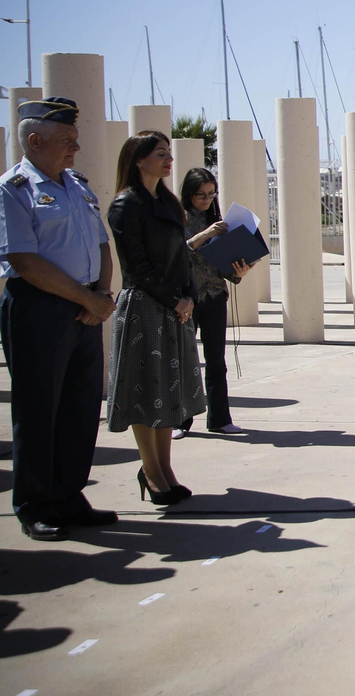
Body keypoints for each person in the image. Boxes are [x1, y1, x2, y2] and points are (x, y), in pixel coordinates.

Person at [0, 97, 117, 540]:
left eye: (76, 139)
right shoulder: (11, 190)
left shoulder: (76, 184)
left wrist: (99, 295)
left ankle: (69, 494)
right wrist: (86, 297)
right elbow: (23, 260)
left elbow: (100, 242)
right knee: (39, 409)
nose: (75, 148)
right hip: (39, 308)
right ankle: (35, 503)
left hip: (84, 307)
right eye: (66, 140)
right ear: (35, 140)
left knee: (80, 408)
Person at [106, 131, 205, 507]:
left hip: (173, 306)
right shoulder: (125, 205)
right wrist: (172, 299)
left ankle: (165, 469)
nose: (168, 160)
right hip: (145, 306)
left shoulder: (166, 202)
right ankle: (151, 470)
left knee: (167, 391)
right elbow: (136, 266)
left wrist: (188, 296)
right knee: (144, 391)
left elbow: (180, 256)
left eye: (168, 153)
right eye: (160, 154)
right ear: (137, 159)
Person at [174, 167, 253, 438]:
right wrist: (206, 234)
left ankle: (219, 418)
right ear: (189, 194)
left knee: (216, 362)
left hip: (215, 296)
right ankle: (179, 421)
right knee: (184, 360)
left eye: (211, 194)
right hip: (188, 298)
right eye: (201, 195)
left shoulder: (218, 220)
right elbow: (177, 252)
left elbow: (225, 267)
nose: (206, 199)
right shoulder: (179, 218)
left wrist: (239, 272)